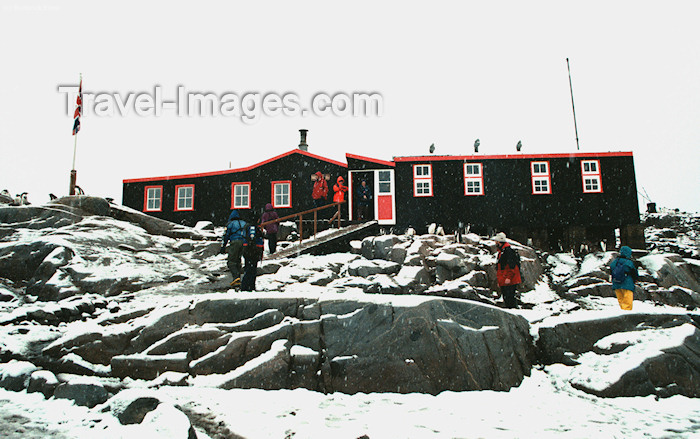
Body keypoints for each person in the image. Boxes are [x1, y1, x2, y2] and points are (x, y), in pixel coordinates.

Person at [492, 232, 521, 309]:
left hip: (509, 279)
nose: (495, 243)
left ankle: (513, 312)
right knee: (507, 298)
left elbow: (511, 267)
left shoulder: (507, 252)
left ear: (499, 242)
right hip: (505, 279)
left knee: (509, 298)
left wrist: (508, 277)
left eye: (496, 241)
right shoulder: (502, 251)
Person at [221, 210, 247, 286]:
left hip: (235, 242)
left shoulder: (230, 224)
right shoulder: (244, 223)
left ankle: (236, 277)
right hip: (244, 242)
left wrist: (223, 246)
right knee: (238, 260)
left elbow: (226, 236)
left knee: (231, 261)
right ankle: (238, 278)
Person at [610, 245, 638, 310]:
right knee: (627, 303)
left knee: (621, 302)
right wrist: (635, 280)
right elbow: (634, 272)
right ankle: (627, 317)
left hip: (616, 284)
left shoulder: (615, 262)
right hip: (627, 284)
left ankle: (622, 315)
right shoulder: (628, 262)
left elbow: (611, 270)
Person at [241, 225, 264, 291]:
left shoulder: (248, 227)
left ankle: (249, 286)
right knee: (251, 270)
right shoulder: (253, 227)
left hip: (249, 251)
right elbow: (252, 238)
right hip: (252, 251)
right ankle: (247, 287)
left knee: (249, 269)